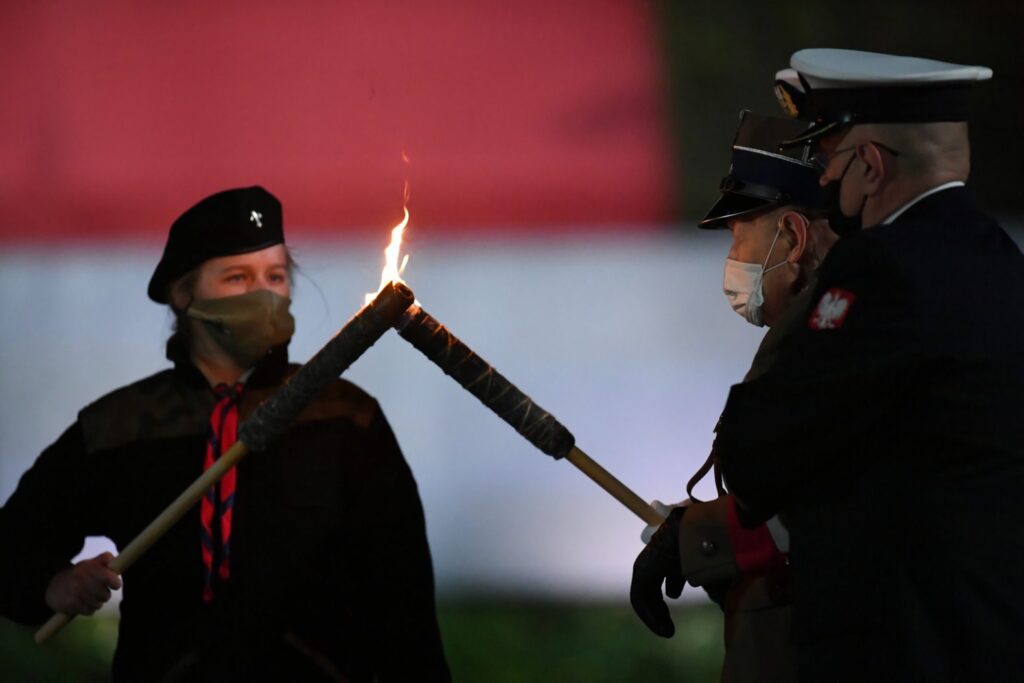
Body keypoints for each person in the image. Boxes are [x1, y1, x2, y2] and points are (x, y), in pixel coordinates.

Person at [0, 186, 451, 682]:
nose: (264, 293)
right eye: (238, 276)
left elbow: (405, 603)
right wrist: (51, 585)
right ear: (182, 293)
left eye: (275, 276)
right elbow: (10, 547)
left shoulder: (344, 417)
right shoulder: (119, 427)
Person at [714, 50, 1024, 680]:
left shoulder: (881, 269)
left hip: (900, 644)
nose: (825, 183)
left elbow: (758, 452)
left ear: (871, 164)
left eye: (830, 160)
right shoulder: (998, 259)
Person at [630, 111, 837, 682]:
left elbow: (827, 512)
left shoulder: (828, 347)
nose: (734, 259)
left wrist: (697, 536)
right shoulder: (820, 333)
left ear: (793, 237)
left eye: (740, 233)